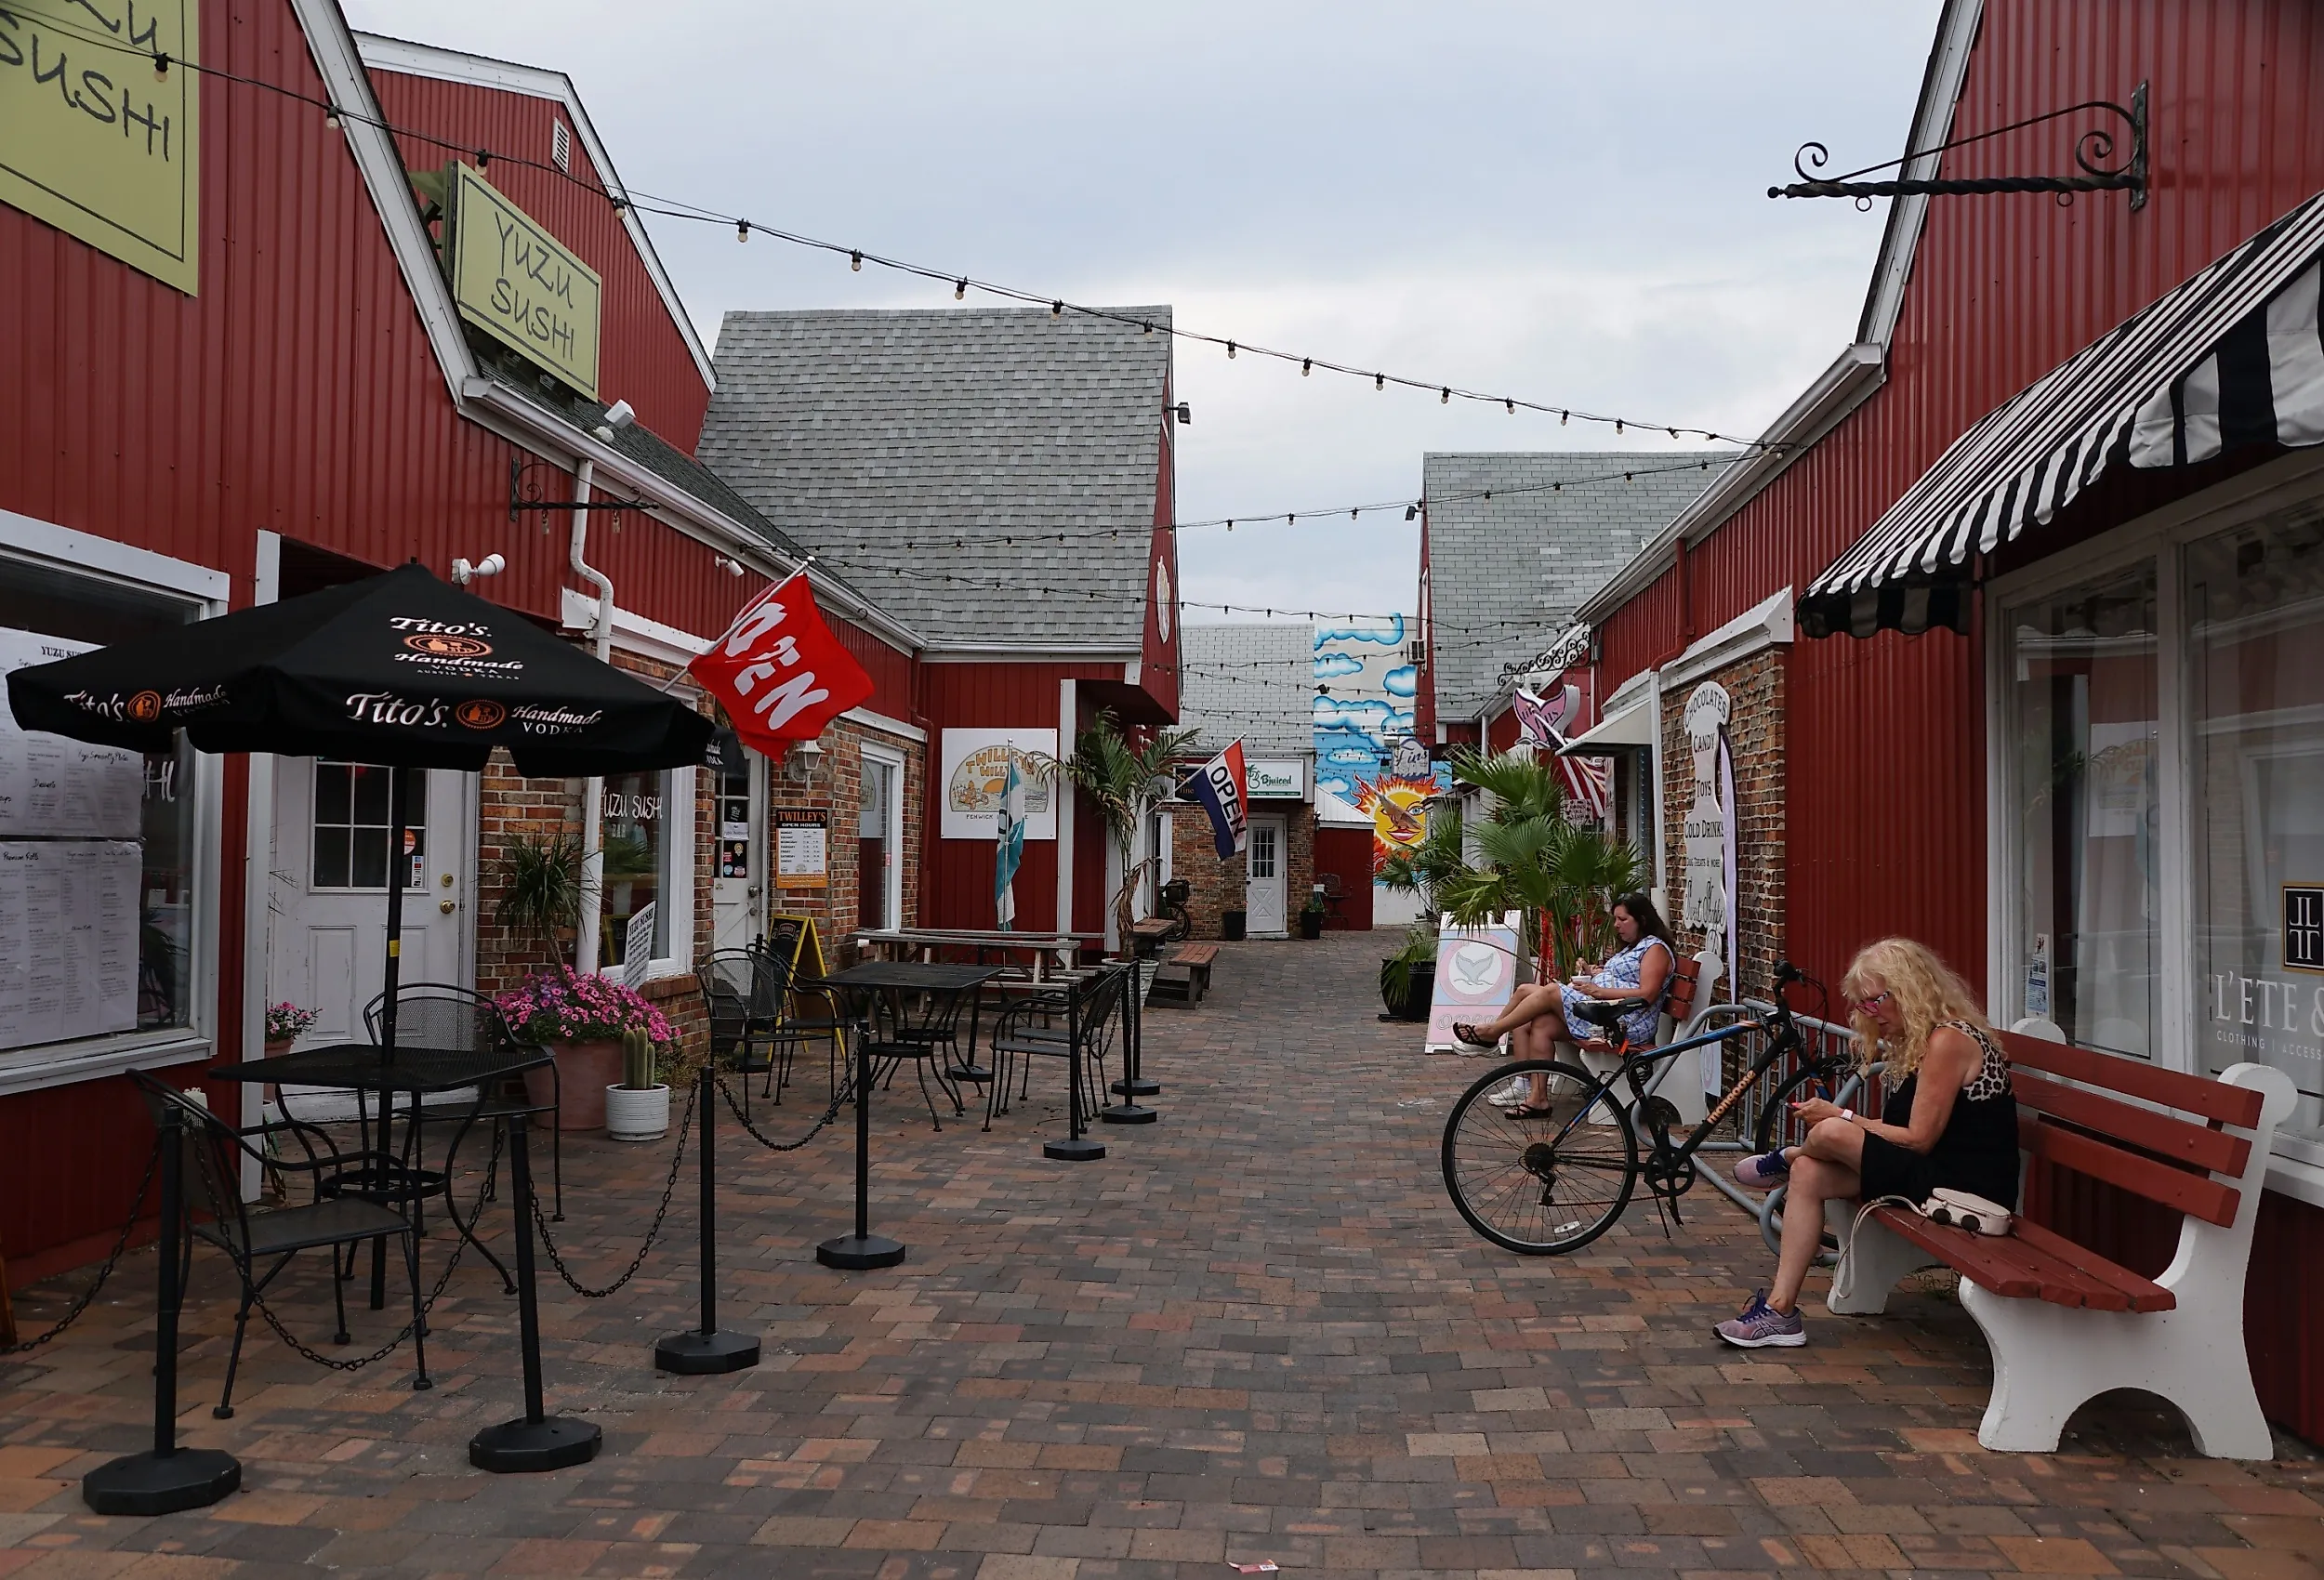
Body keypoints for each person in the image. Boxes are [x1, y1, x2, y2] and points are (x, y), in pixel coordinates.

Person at [1716, 937, 2017, 1349]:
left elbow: (1919, 1139)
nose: (1868, 1014)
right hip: (1927, 1173)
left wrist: (1842, 1117)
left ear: (1908, 991)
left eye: (1873, 1002)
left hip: (1965, 1186)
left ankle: (1789, 1155)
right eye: (1862, 1005)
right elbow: (1903, 1135)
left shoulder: (1948, 1040)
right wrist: (1845, 1123)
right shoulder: (1922, 1041)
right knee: (1810, 1171)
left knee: (1830, 1130)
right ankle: (1780, 1312)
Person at [1450, 891, 1674, 1118]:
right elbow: (1625, 977)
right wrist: (1593, 973)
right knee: (1539, 1017)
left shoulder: (1655, 949)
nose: (1616, 925)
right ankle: (1537, 1099)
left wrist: (1599, 991)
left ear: (1642, 920)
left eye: (1623, 920)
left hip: (1625, 1022)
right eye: (1615, 919)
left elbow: (1647, 994)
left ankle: (1492, 1033)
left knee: (1550, 991)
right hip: (1604, 1012)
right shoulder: (1634, 946)